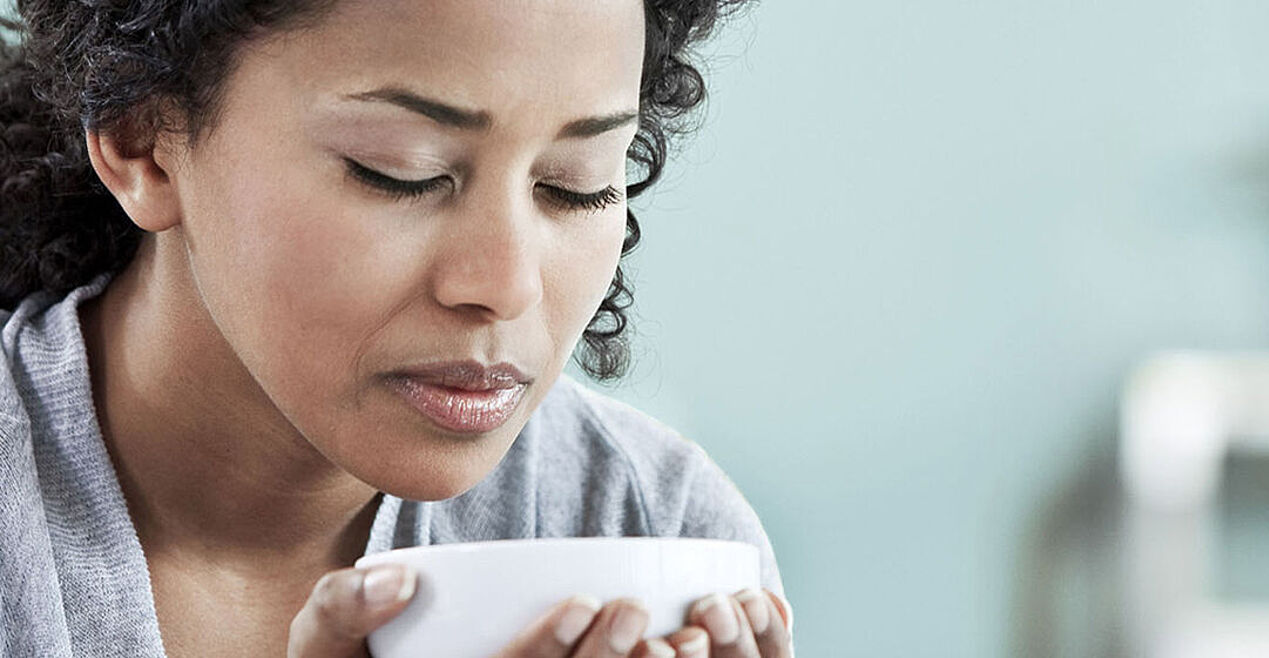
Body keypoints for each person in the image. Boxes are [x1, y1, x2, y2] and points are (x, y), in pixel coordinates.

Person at [0, 1, 793, 657]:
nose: (506, 288)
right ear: (144, 143)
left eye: (574, 186)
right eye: (402, 173)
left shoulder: (650, 528)